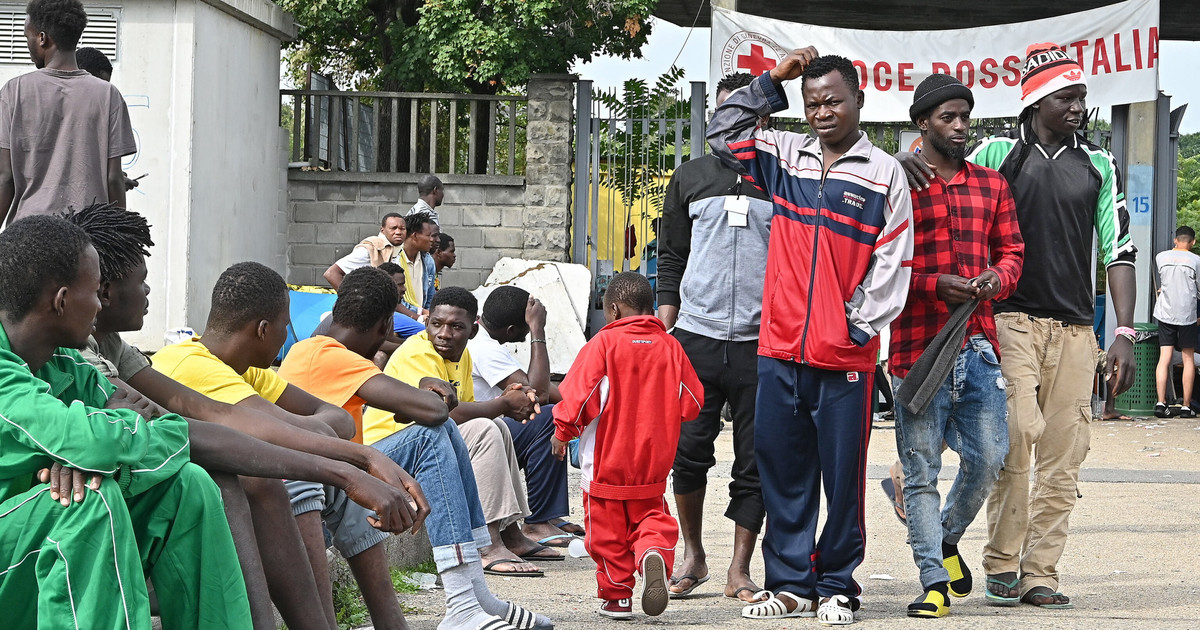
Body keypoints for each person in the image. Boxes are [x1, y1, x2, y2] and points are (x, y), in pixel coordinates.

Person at [65, 203, 431, 630]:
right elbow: (202, 429)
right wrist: (350, 467)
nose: (149, 292)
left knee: (253, 472)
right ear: (104, 293)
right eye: (141, 282)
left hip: (142, 476)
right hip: (110, 494)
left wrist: (354, 461)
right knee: (244, 475)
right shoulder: (93, 356)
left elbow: (201, 414)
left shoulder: (111, 345)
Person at [897, 43, 1138, 610]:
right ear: (1036, 100)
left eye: (1083, 97)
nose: (1080, 107)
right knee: (1015, 442)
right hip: (1008, 323)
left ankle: (1039, 574)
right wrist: (906, 156)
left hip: (1077, 329)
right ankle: (1001, 565)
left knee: (1065, 453)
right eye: (1068, 97)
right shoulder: (997, 152)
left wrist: (1124, 332)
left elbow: (1119, 248)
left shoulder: (1099, 164)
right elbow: (940, 166)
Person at [708, 50, 914, 625]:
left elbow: (894, 258)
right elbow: (722, 131)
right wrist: (773, 80)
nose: (822, 111)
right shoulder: (782, 155)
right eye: (813, 102)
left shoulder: (883, 173)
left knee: (841, 474)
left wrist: (856, 325)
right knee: (780, 466)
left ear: (859, 102)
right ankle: (792, 584)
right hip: (778, 348)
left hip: (843, 355)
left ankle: (838, 584)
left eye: (833, 101)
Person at [0, 215, 259, 629]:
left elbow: (170, 432)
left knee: (190, 486)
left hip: (24, 549)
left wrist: (95, 454)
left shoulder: (66, 364)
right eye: (94, 291)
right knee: (84, 501)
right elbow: (95, 440)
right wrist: (105, 439)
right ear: (62, 300)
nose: (100, 304)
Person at [151, 261, 429, 629]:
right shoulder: (188, 363)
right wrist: (333, 444)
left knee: (320, 471)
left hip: (238, 497)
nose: (288, 335)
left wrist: (306, 430)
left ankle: (390, 623)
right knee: (296, 475)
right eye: (285, 326)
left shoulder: (244, 369)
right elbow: (293, 437)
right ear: (264, 330)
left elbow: (336, 420)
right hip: (193, 507)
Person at [280, 267, 553, 630]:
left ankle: (473, 593)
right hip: (321, 493)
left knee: (447, 433)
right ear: (383, 325)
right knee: (432, 434)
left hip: (338, 485)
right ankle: (460, 602)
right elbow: (435, 410)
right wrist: (427, 384)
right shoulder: (333, 357)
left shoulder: (315, 348)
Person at [888, 75, 1024, 618]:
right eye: (948, 117)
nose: (961, 126)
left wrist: (998, 277)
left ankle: (945, 540)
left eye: (965, 116)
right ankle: (932, 584)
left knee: (991, 456)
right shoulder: (898, 182)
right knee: (919, 469)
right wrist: (930, 284)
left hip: (978, 342)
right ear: (924, 123)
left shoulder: (991, 185)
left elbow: (1013, 249)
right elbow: (881, 265)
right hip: (917, 348)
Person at [656, 71, 774, 603]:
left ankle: (739, 568)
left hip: (760, 342)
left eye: (742, 115)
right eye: (722, 113)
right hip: (695, 339)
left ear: (762, 119)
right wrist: (666, 318)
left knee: (755, 459)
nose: (729, 125)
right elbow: (672, 253)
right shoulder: (690, 176)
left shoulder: (780, 176)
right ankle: (694, 555)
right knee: (688, 451)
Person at [363, 287, 565, 570]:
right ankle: (487, 544)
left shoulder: (463, 356)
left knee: (495, 426)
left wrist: (505, 404)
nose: (444, 334)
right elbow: (443, 413)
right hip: (389, 451)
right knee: (485, 428)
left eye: (456, 327)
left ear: (473, 330)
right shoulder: (417, 352)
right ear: (427, 323)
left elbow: (462, 411)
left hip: (424, 443)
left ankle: (511, 533)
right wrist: (505, 403)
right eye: (437, 324)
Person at [550, 271, 703, 620]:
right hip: (651, 467)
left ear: (614, 309)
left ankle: (617, 597)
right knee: (651, 518)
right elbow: (693, 402)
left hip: (605, 466)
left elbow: (578, 398)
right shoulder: (671, 347)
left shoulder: (601, 345)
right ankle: (652, 552)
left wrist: (562, 433)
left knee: (606, 534)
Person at [0, 0, 136, 224]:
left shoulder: (14, 92)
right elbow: (114, 179)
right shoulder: (108, 95)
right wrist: (120, 238)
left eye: (28, 38)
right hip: (89, 236)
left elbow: (5, 179)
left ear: (43, 38)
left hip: (29, 236)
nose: (28, 45)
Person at [470, 286, 580, 545]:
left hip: (491, 433)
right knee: (548, 417)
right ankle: (538, 522)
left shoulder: (486, 341)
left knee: (557, 411)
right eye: (526, 325)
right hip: (482, 442)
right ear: (511, 331)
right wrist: (537, 331)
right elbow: (538, 394)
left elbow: (539, 386)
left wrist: (584, 406)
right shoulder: (484, 349)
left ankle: (548, 516)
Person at [1154, 226, 1200, 417]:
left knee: (1164, 358)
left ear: (1175, 240)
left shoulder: (1161, 257)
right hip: (1187, 314)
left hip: (1165, 312)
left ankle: (1161, 403)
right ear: (1193, 242)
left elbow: (1165, 282)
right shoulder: (1196, 260)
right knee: (1188, 358)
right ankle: (1186, 406)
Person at [324, 212, 408, 289]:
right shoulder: (369, 249)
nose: (398, 232)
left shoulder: (401, 251)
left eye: (402, 228)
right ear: (382, 230)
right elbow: (331, 273)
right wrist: (353, 300)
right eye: (393, 228)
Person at [397, 211, 439, 319]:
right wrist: (421, 313)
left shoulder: (428, 261)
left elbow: (430, 296)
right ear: (415, 235)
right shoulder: (394, 259)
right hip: (401, 317)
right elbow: (396, 301)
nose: (432, 240)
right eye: (428, 235)